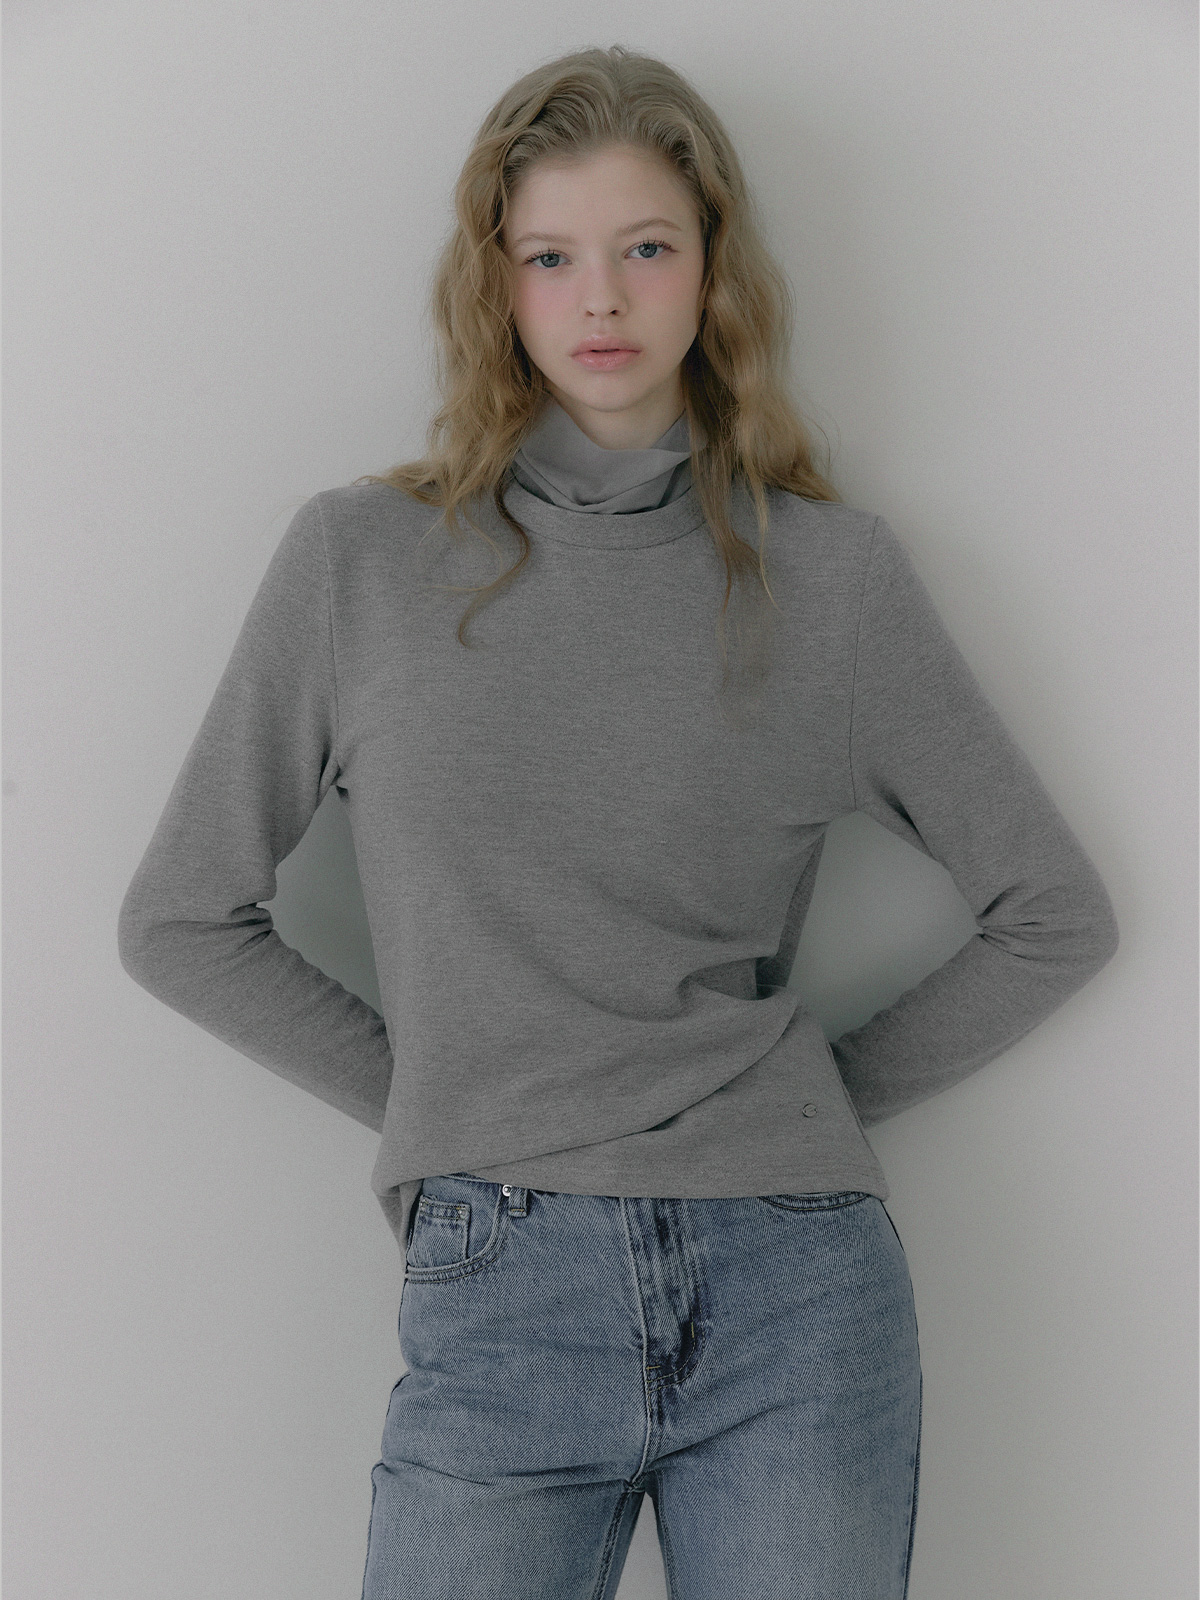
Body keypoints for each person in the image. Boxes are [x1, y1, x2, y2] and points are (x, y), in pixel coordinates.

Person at [117, 44, 1119, 1600]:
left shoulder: (831, 580)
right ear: (496, 285)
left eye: (646, 247)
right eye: (551, 257)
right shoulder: (359, 564)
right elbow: (181, 921)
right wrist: (458, 1108)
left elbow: (1056, 915)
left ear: (711, 268)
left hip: (798, 1285)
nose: (601, 299)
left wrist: (795, 1105)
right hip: (502, 1288)